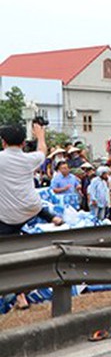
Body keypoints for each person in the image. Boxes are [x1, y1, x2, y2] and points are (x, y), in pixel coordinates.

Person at [0, 123, 64, 309]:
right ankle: (52, 217)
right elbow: (42, 151)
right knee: (33, 204)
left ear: (3, 142)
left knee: (9, 255)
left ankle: (20, 297)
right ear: (22, 143)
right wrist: (40, 135)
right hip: (30, 208)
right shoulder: (29, 159)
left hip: (7, 215)